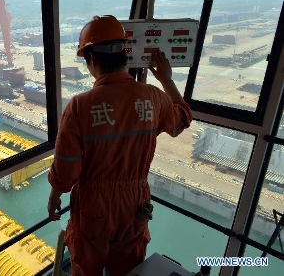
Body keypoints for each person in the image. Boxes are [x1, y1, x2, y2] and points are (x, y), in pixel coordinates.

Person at [47, 15, 193, 276]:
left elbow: (66, 170)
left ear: (91, 59)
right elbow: (181, 120)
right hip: (134, 204)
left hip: (94, 205)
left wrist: (55, 195)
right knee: (129, 270)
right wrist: (166, 80)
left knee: (86, 267)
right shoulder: (153, 98)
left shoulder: (80, 106)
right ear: (125, 54)